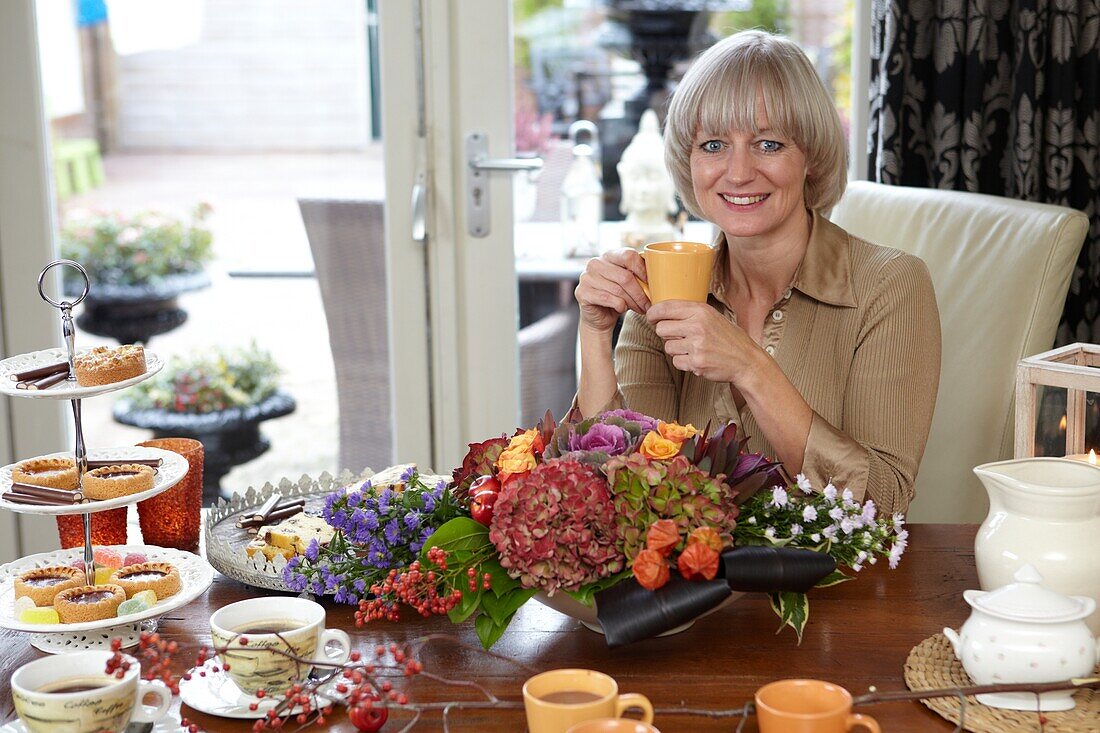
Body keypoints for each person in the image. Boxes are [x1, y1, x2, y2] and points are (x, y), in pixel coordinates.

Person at [573, 30, 941, 514]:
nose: (739, 172)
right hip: (691, 585)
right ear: (689, 161)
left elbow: (884, 503)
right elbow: (620, 488)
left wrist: (750, 366)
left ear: (809, 157)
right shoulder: (665, 286)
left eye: (768, 144)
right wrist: (595, 334)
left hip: (837, 585)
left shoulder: (891, 286)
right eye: (713, 145)